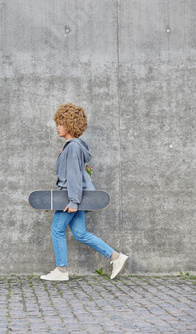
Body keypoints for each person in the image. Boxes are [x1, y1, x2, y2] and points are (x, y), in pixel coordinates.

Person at [40, 103, 128, 281]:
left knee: (57, 230)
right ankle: (116, 257)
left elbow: (74, 177)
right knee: (80, 233)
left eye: (61, 123)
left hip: (69, 197)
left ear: (70, 124)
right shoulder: (73, 146)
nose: (57, 127)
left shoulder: (72, 147)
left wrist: (72, 201)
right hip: (75, 197)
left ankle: (61, 270)